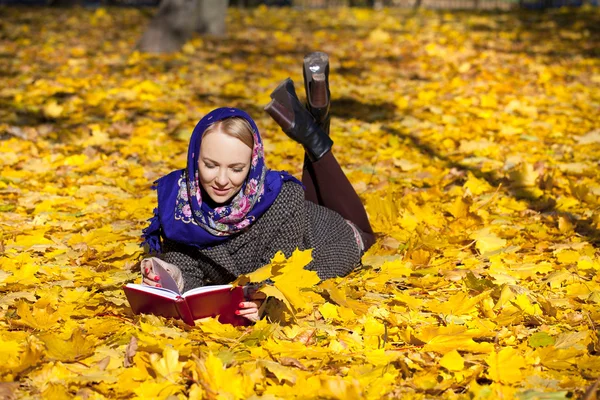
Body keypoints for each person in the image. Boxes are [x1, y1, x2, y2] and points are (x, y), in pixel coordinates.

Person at [140, 52, 375, 323]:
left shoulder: (282, 198)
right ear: (194, 158)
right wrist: (170, 272)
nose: (222, 180)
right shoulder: (178, 202)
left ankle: (314, 136)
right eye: (210, 165)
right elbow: (190, 269)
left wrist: (270, 300)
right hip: (302, 217)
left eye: (237, 169)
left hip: (329, 238)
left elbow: (285, 274)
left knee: (366, 234)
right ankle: (312, 125)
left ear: (253, 166)